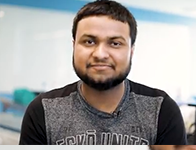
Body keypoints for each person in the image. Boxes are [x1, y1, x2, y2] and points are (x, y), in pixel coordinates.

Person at [19, 0, 187, 145]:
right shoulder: (43, 110)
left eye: (115, 43)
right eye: (89, 41)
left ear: (131, 51)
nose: (100, 54)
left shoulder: (161, 109)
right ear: (74, 46)